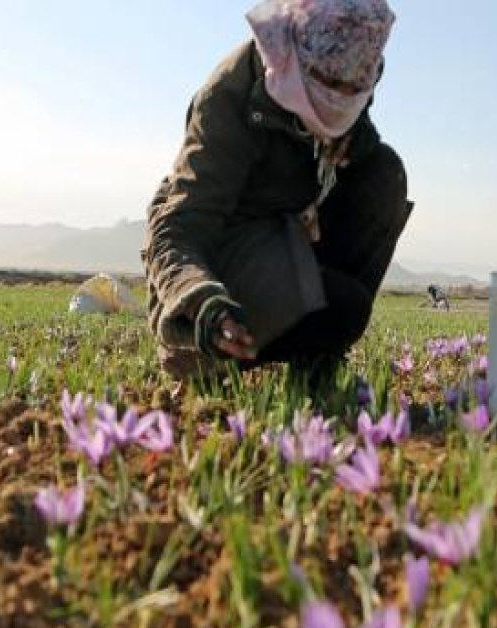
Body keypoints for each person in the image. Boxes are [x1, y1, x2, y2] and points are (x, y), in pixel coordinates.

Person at [142, 0, 412, 383]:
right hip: (227, 245)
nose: (339, 98)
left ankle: (316, 357)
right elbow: (180, 224)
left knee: (382, 172)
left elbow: (351, 99)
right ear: (294, 54)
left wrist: (356, 137)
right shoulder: (228, 98)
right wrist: (201, 300)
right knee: (343, 307)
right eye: (328, 83)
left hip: (285, 230)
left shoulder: (357, 52)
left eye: (353, 88)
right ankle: (207, 351)